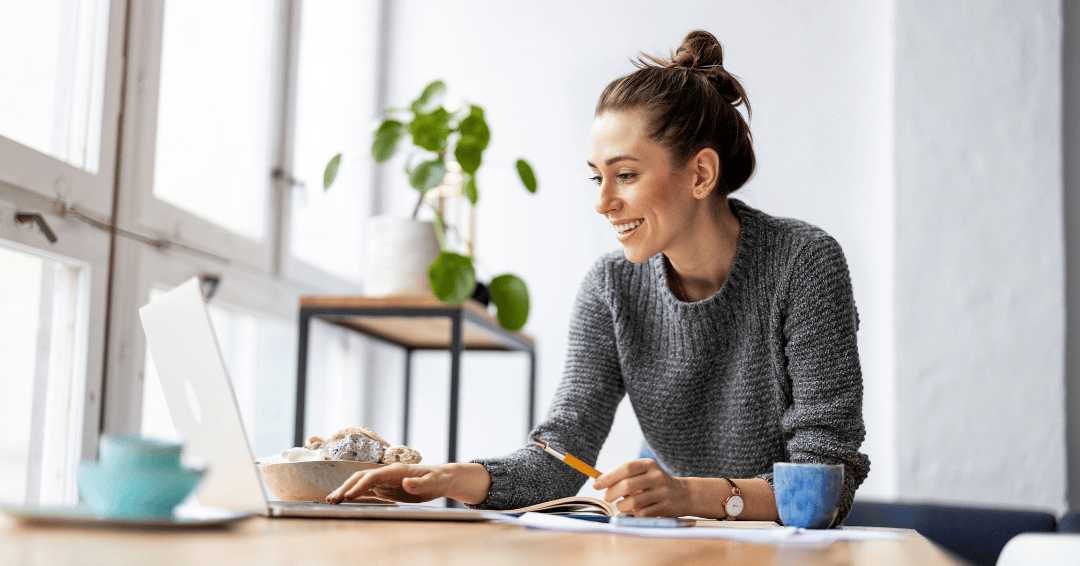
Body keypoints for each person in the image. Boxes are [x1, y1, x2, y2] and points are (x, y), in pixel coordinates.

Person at [329, 30, 870, 525]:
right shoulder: (611, 287)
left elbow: (824, 485)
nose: (603, 203)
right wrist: (454, 479)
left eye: (625, 175)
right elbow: (562, 455)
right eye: (597, 177)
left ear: (701, 174)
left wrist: (685, 495)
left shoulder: (804, 263)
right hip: (672, 542)